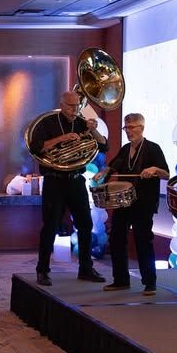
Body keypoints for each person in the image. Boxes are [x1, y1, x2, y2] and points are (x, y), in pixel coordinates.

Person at [30, 91, 108, 285]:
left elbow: (104, 146)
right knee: (50, 226)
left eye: (77, 106)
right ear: (62, 104)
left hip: (75, 180)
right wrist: (61, 139)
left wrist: (94, 130)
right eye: (71, 106)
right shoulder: (47, 122)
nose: (75, 110)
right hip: (54, 181)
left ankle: (86, 269)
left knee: (85, 225)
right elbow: (36, 146)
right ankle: (42, 270)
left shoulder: (82, 123)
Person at [93, 113, 169, 294]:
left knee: (143, 240)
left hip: (143, 202)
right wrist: (103, 172)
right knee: (117, 238)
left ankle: (150, 283)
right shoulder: (126, 149)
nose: (128, 131)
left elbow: (165, 173)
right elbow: (114, 165)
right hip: (123, 202)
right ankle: (120, 280)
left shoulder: (153, 148)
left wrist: (154, 169)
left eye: (132, 127)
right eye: (126, 128)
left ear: (142, 128)